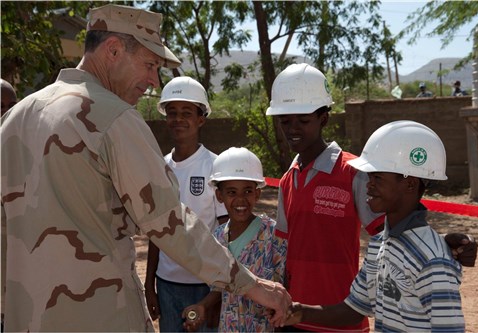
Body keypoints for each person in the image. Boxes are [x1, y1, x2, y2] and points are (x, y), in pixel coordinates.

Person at [0, 4, 291, 332]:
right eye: (150, 64)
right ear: (113, 50)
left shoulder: (13, 120)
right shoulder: (113, 117)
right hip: (100, 316)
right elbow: (169, 222)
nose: (154, 80)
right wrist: (252, 285)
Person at [265, 63, 477, 332]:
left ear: (324, 119)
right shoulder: (288, 179)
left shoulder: (354, 173)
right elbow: (284, 252)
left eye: (303, 120)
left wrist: (444, 243)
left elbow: (400, 228)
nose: (293, 128)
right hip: (302, 315)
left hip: (340, 321)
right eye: (285, 121)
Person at [284, 120, 465, 332]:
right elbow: (353, 309)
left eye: (377, 177)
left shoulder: (433, 261)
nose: (368, 184)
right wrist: (299, 312)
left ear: (410, 184)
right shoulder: (380, 243)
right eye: (370, 176)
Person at [145, 76, 228, 332]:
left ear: (201, 118)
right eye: (172, 112)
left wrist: (219, 294)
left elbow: (227, 234)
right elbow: (155, 232)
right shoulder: (159, 167)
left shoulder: (216, 167)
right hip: (167, 284)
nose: (178, 118)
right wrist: (150, 286)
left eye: (186, 112)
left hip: (206, 286)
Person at [182, 147, 287, 332]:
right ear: (219, 196)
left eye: (247, 191)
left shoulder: (273, 235)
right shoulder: (218, 237)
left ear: (257, 194)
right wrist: (203, 306)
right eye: (231, 192)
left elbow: (285, 288)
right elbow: (219, 287)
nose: (240, 200)